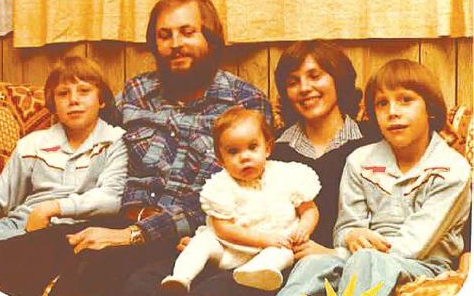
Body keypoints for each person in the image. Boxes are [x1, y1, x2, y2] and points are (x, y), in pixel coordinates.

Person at [0, 0, 272, 296]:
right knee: (4, 257)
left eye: (187, 32)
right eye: (164, 35)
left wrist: (132, 235)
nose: (176, 43)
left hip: (185, 238)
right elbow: (97, 144)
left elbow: (230, 191)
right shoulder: (136, 91)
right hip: (112, 220)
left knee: (92, 275)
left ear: (211, 38)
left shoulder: (244, 104)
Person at [163, 40, 380, 296]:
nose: (304, 88)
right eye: (293, 82)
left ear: (338, 80)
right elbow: (237, 199)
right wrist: (206, 237)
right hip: (255, 252)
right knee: (148, 280)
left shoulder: (371, 144)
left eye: (315, 76)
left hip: (316, 265)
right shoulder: (269, 148)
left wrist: (332, 253)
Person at [277, 59, 471, 296]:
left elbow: (414, 244)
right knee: (312, 264)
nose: (392, 112)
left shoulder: (452, 169)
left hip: (424, 265)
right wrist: (352, 235)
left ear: (430, 109)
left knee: (366, 261)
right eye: (381, 104)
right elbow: (345, 227)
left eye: (405, 100)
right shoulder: (360, 161)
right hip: (361, 260)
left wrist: (341, 254)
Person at [0, 56, 128, 293]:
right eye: (63, 94)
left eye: (84, 91)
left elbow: (111, 198)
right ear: (53, 104)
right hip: (17, 226)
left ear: (102, 100)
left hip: (68, 232)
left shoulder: (113, 142)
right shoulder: (32, 145)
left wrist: (52, 207)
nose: (74, 100)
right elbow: (0, 199)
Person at [161, 107, 320, 294]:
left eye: (252, 147)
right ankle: (181, 278)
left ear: (267, 148)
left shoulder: (287, 175)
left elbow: (309, 210)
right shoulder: (221, 185)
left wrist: (304, 229)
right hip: (227, 248)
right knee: (202, 242)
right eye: (233, 151)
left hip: (274, 246)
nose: (244, 157)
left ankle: (254, 272)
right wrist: (263, 239)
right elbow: (223, 228)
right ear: (221, 160)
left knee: (284, 254)